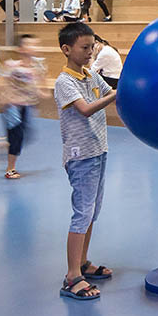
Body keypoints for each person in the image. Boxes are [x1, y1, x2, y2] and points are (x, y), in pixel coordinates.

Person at [54, 21, 117, 301]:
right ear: (67, 49)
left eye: (92, 46)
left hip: (99, 150)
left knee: (92, 212)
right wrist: (117, 94)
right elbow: (86, 110)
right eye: (85, 47)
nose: (91, 51)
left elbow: (107, 92)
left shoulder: (90, 74)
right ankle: (71, 277)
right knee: (82, 213)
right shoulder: (64, 82)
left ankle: (83, 262)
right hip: (81, 157)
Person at [0, 34, 44, 179]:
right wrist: (3, 98)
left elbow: (37, 83)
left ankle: (3, 143)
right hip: (12, 107)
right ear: (21, 49)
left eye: (35, 44)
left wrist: (41, 92)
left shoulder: (37, 66)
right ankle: (10, 169)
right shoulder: (12, 65)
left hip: (27, 106)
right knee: (17, 136)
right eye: (29, 44)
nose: (33, 47)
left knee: (27, 136)